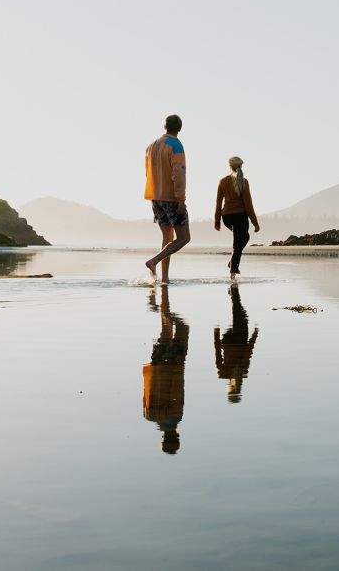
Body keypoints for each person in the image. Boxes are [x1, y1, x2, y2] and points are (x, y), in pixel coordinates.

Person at [143, 286, 189, 454]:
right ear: (163, 438)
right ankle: (161, 307)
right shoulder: (148, 416)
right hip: (157, 365)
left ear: (177, 436)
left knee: (183, 327)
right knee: (165, 330)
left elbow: (178, 391)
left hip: (174, 364)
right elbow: (146, 390)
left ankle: (162, 309)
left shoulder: (176, 417)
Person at [144, 114, 190, 283]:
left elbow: (147, 172)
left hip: (155, 197)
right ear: (180, 128)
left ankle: (164, 278)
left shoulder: (151, 147)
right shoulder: (176, 146)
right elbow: (179, 173)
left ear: (165, 126)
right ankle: (154, 261)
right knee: (184, 238)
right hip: (171, 197)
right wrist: (181, 200)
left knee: (167, 238)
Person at [214, 156, 259, 280]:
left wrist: (217, 220)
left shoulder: (223, 181)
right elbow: (248, 204)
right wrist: (255, 223)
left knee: (241, 239)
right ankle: (233, 272)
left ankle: (232, 262)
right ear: (241, 166)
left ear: (230, 167)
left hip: (227, 217)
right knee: (239, 241)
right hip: (240, 216)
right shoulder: (244, 182)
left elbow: (218, 203)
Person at [214, 285, 259, 403]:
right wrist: (216, 335)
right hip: (227, 341)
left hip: (239, 339)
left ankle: (234, 290)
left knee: (240, 312)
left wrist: (255, 335)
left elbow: (248, 351)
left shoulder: (243, 371)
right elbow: (217, 352)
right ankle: (233, 293)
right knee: (240, 313)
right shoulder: (222, 373)